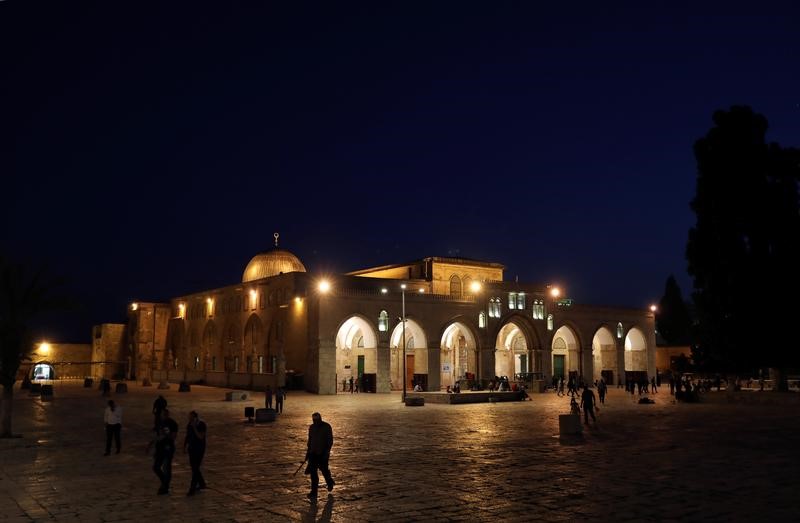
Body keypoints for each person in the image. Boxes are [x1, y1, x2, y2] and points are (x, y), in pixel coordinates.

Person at [305, 412, 334, 501]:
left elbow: (330, 441)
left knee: (324, 470)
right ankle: (314, 492)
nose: (315, 422)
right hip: (313, 453)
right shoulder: (312, 427)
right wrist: (308, 452)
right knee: (313, 474)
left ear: (320, 419)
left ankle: (329, 482)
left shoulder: (326, 427)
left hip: (322, 453)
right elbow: (310, 441)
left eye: (317, 420)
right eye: (314, 420)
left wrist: (326, 452)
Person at [150, 409, 178, 495]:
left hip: (168, 448)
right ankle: (164, 482)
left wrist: (165, 436)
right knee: (156, 467)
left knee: (167, 468)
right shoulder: (159, 422)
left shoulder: (173, 423)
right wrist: (151, 444)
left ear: (168, 415)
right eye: (162, 414)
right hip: (159, 448)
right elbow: (156, 435)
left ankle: (165, 487)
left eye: (165, 414)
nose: (163, 416)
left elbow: (173, 437)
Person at [184, 411, 207, 496]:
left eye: (191, 417)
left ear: (195, 417)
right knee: (194, 468)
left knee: (195, 468)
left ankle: (192, 489)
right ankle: (202, 483)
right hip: (191, 449)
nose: (189, 419)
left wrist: (194, 428)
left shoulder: (201, 424)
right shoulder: (189, 424)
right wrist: (185, 446)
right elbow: (188, 436)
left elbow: (201, 437)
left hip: (199, 449)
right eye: (189, 417)